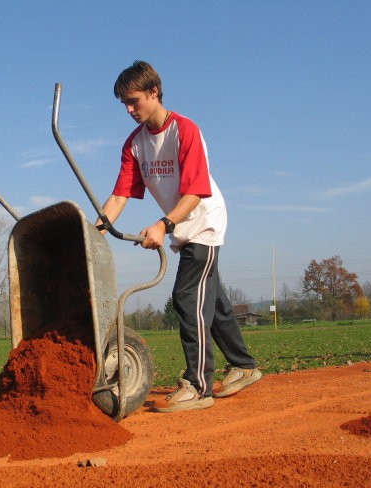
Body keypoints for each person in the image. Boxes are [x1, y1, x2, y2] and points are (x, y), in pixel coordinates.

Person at [97, 60, 261, 413]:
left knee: (187, 297)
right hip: (181, 226)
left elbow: (195, 192)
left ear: (154, 92)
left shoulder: (185, 130)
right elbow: (121, 194)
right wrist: (94, 231)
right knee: (212, 302)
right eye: (124, 104)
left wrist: (162, 225)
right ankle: (244, 366)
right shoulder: (134, 144)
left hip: (203, 222)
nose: (128, 110)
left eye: (133, 101)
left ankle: (198, 386)